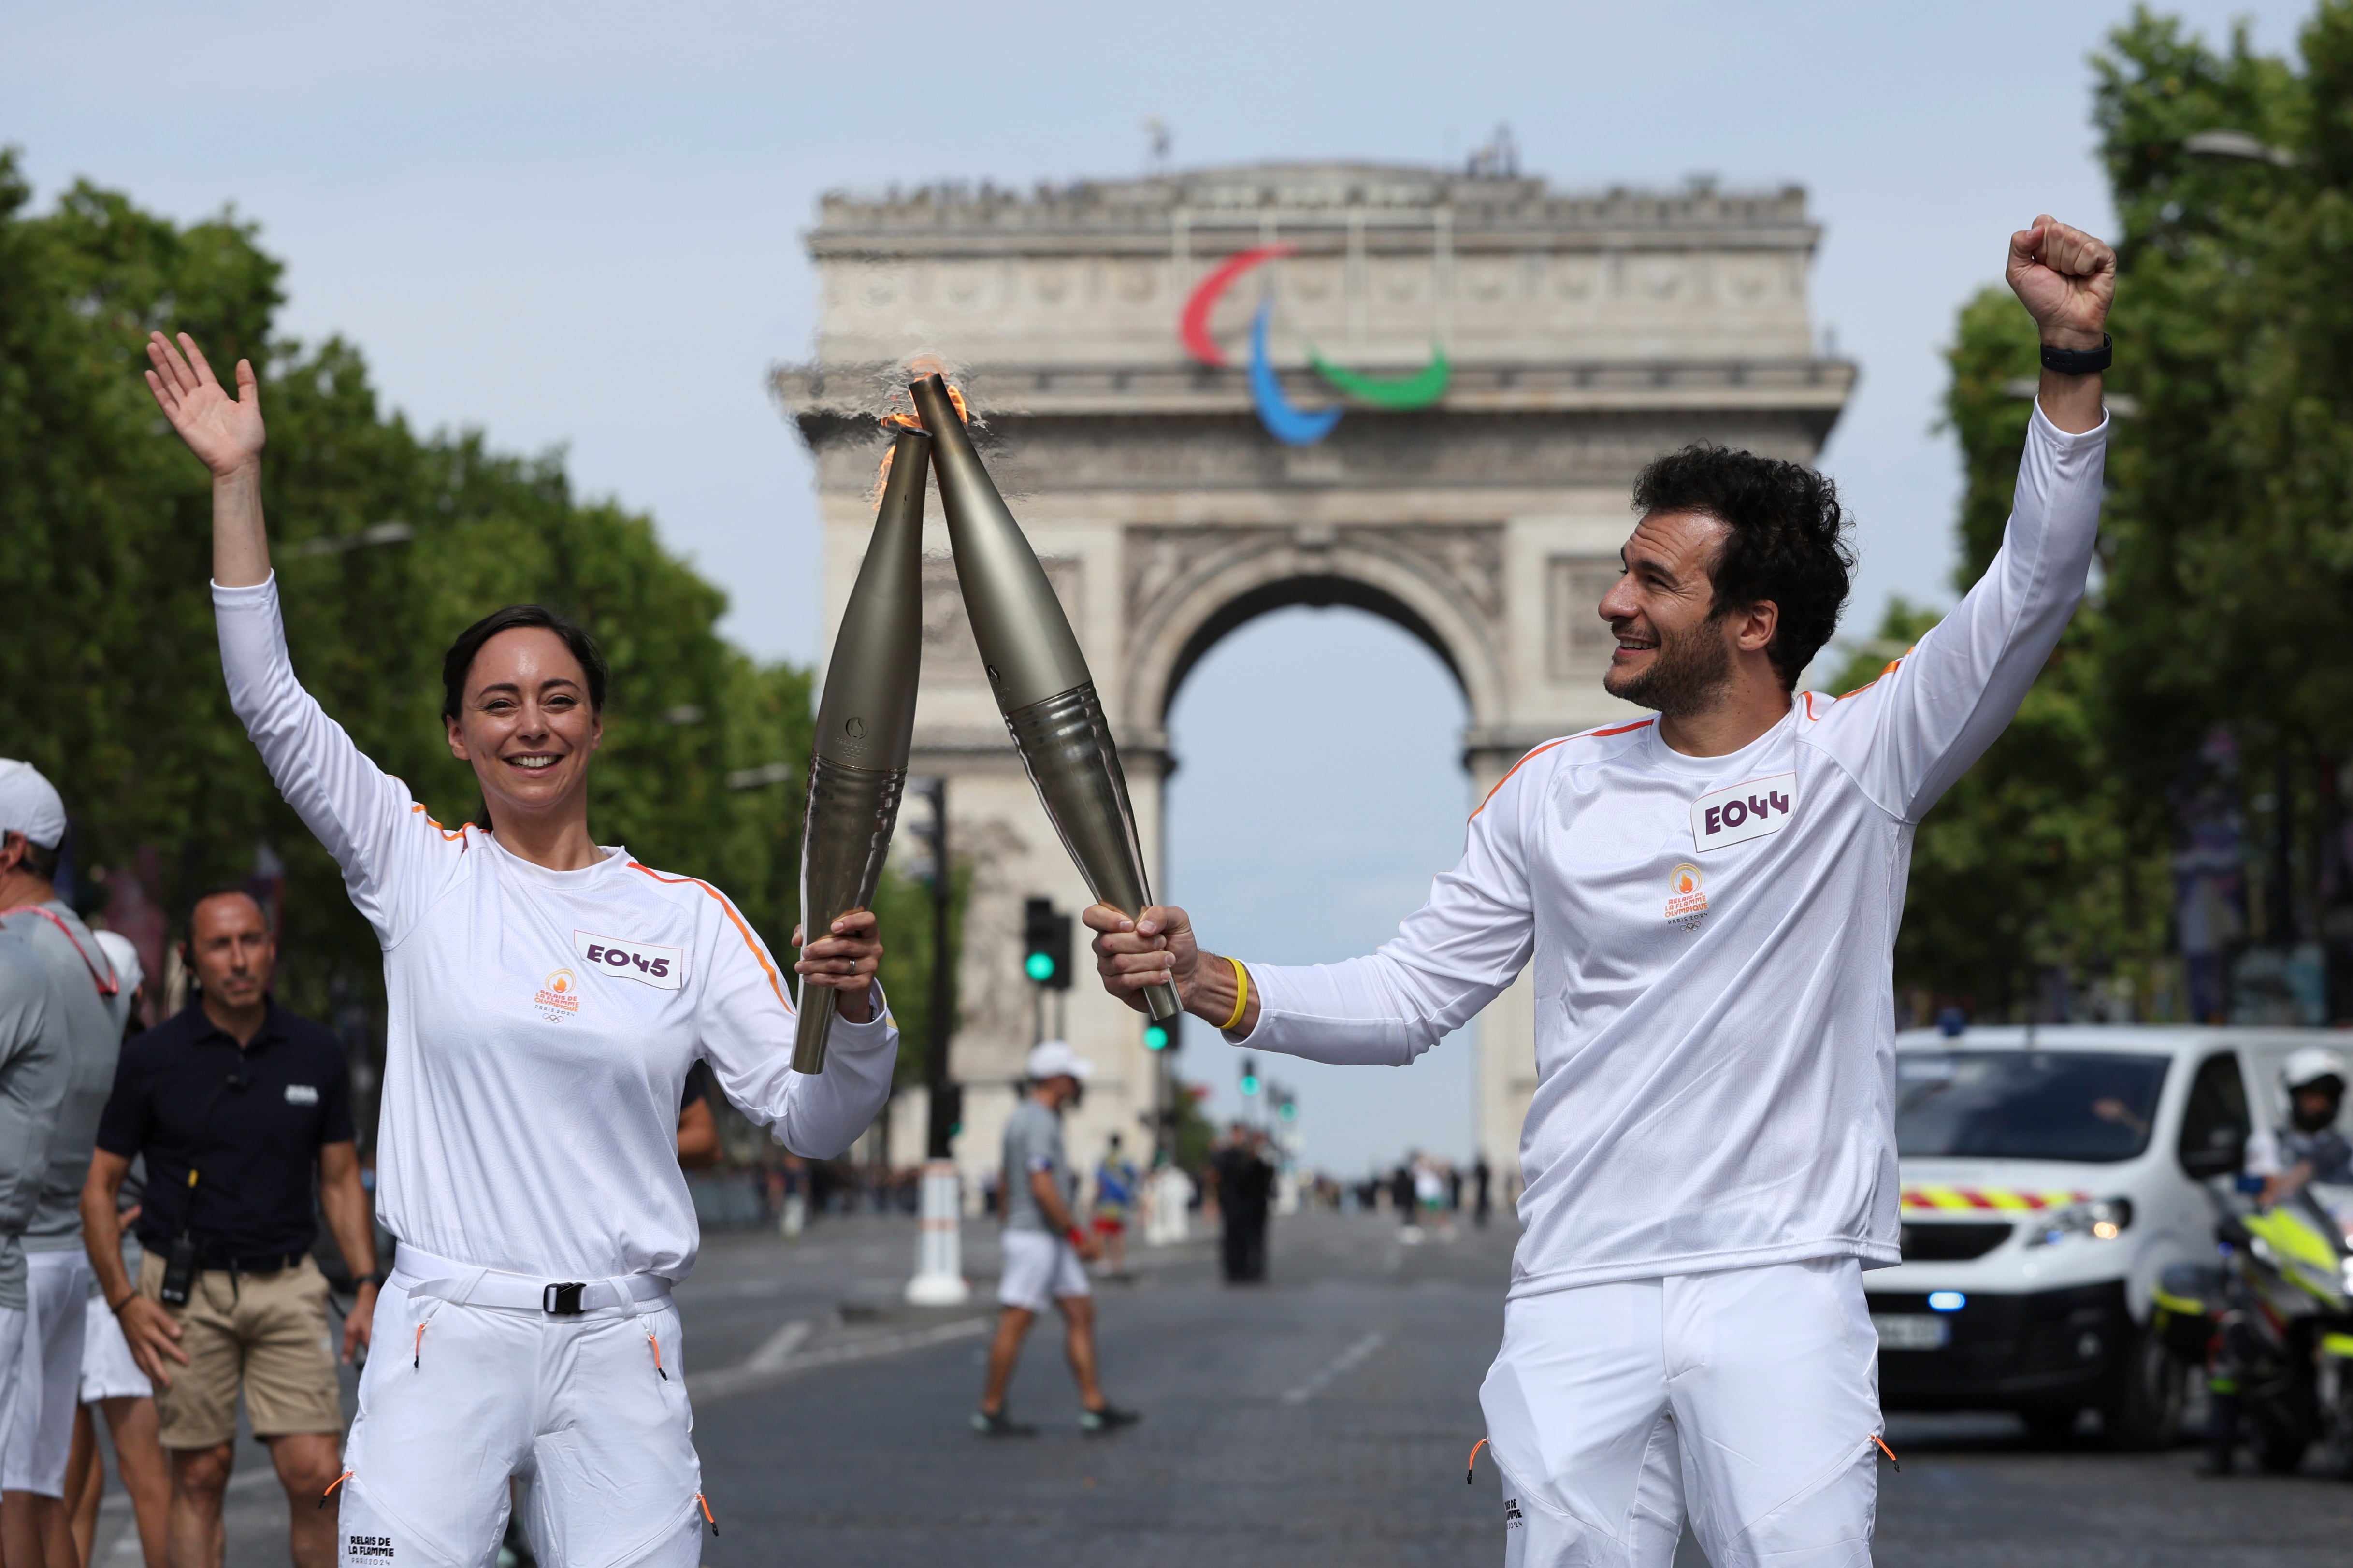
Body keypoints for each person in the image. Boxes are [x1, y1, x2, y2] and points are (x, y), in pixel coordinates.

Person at [1090, 217, 2115, 1567]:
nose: (1608, 602)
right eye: (1618, 567)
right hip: (1578, 1282)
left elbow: (2032, 586)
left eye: (1650, 578)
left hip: (1776, 1282)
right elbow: (1407, 997)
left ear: (1753, 621)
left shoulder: (1862, 759)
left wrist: (2069, 354)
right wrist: (1204, 976)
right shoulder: (1546, 791)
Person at [142, 328, 896, 1567]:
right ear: (455, 735)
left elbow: (813, 1119)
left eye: (557, 699)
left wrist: (858, 1014)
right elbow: (269, 698)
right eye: (499, 702)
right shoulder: (417, 866)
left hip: (622, 1347)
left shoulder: (689, 916)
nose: (530, 723)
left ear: (595, 724)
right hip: (451, 1331)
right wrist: (236, 479)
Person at [81, 888, 376, 1568]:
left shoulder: (315, 1050)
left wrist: (364, 1284)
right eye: (220, 945)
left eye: (251, 941)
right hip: (183, 1295)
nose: (239, 959)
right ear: (191, 958)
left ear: (271, 950)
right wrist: (125, 1302)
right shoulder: (153, 1057)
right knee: (201, 1473)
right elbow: (98, 1187)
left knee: (317, 1473)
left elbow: (338, 1180)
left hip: (288, 1284)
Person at [0, 760, 124, 1568]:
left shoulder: (13, 952)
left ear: (10, 849)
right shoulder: (86, 948)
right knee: (38, 1497)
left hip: (11, 1258)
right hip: (56, 1257)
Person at [65, 932, 169, 1568]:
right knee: (77, 1474)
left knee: (134, 1471)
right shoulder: (114, 1060)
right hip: (80, 1281)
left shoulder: (128, 1067)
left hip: (113, 1287)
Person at [973, 1042, 1139, 1437]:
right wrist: (1076, 1233)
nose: (1079, 1084)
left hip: (1042, 1235)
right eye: (1073, 1077)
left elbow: (1004, 1179)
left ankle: (1093, 1404)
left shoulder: (1029, 1117)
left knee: (1080, 1312)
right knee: (1016, 1320)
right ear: (1057, 1079)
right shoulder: (1039, 1121)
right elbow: (1041, 1183)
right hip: (1038, 1236)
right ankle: (991, 1408)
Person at [2247, 1046, 2350, 1204]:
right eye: (2312, 1095)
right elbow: (2264, 1195)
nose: (2320, 1104)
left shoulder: (2343, 1145)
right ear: (2291, 1095)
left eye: (2328, 1096)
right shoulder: (2270, 1142)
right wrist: (2311, 1167)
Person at [1208, 1127, 1271, 1283]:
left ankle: (1254, 1270)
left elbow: (1268, 1174)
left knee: (1254, 1240)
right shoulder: (1227, 1156)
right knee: (1233, 1240)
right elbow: (1216, 1175)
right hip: (1233, 1204)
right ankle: (1235, 1271)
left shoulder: (1259, 1155)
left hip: (1256, 1205)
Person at [1090, 1132, 1139, 1275]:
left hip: (1106, 1200)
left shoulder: (1104, 1159)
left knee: (1101, 1232)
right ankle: (1119, 1263)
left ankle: (1102, 1262)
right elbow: (1133, 1178)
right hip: (1120, 1201)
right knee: (1118, 1234)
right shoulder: (1126, 1159)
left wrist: (1095, 1200)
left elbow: (1099, 1181)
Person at [1473, 1154, 1493, 1230]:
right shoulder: (1484, 1169)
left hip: (1482, 1190)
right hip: (1482, 1190)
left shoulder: (1481, 1169)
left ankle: (1482, 1216)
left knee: (1482, 1203)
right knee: (1482, 1203)